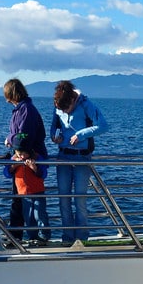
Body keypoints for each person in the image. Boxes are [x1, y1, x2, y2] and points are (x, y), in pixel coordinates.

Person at [50, 80, 108, 243]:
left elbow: (103, 126)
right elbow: (54, 125)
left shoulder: (86, 104)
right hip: (63, 157)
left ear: (72, 100)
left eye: (66, 109)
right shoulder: (58, 104)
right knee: (63, 199)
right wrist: (54, 135)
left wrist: (81, 134)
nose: (64, 112)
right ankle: (68, 237)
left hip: (82, 157)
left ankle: (82, 238)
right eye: (60, 109)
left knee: (79, 199)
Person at [3, 79, 47, 241]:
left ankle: (19, 237)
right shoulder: (23, 109)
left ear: (11, 94)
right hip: (23, 157)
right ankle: (18, 236)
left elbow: (24, 136)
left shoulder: (26, 110)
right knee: (21, 201)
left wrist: (10, 138)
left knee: (25, 203)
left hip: (28, 157)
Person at [3, 133, 51, 245]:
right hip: (23, 194)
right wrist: (13, 166)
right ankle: (33, 237)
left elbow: (43, 174)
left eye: (23, 154)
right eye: (19, 154)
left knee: (39, 214)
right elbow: (7, 173)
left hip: (38, 191)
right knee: (28, 217)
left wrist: (34, 168)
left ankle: (45, 235)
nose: (21, 157)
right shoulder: (14, 159)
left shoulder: (37, 158)